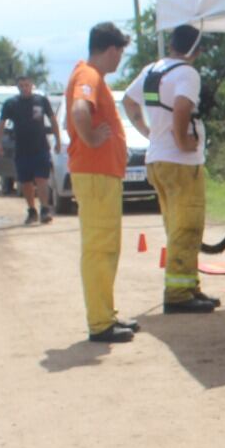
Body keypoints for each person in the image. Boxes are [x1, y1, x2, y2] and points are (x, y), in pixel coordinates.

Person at [122, 24, 217, 315]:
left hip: (157, 159)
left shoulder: (154, 69)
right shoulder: (187, 73)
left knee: (175, 226)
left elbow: (128, 100)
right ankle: (178, 293)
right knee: (187, 226)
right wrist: (182, 139)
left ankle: (188, 285)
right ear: (194, 49)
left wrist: (147, 131)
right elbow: (181, 108)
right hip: (180, 162)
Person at [65, 21, 137, 343]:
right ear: (112, 50)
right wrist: (92, 138)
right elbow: (80, 109)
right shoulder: (88, 76)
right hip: (96, 175)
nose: (120, 59)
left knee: (106, 249)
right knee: (99, 250)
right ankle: (100, 323)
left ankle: (105, 315)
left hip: (101, 175)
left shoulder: (91, 76)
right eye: (120, 52)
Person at [0, 75, 62, 225]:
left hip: (40, 147)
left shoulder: (41, 101)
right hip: (21, 149)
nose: (24, 88)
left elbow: (52, 120)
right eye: (21, 86)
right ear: (18, 87)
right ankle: (31, 210)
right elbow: (1, 123)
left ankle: (45, 209)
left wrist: (58, 140)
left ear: (32, 85)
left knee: (42, 179)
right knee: (25, 182)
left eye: (27, 85)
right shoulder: (11, 104)